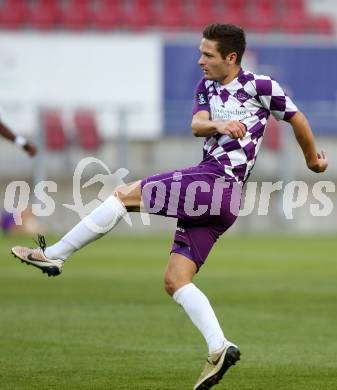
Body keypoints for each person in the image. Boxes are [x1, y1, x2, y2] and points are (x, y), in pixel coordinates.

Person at [11, 24, 328, 390]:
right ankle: (219, 347)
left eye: (208, 54)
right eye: (200, 52)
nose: (200, 60)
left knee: (124, 195)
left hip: (216, 182)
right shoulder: (206, 86)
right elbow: (196, 124)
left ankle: (56, 254)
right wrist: (221, 124)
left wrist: (312, 162)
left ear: (231, 58)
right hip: (221, 199)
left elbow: (297, 118)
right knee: (175, 280)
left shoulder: (261, 87)